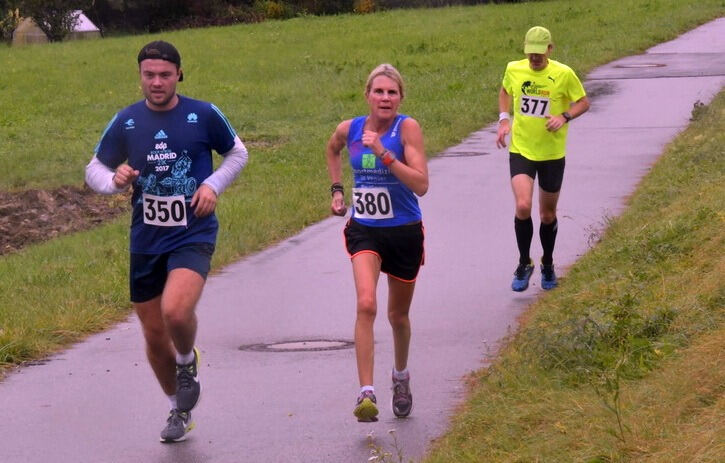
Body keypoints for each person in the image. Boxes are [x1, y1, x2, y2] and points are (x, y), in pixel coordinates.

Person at [85, 40, 248, 442]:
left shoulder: (203, 114)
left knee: (176, 312)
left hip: (193, 230)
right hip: (146, 237)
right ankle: (178, 408)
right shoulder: (126, 121)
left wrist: (212, 185)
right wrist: (114, 181)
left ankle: (187, 360)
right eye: (149, 75)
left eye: (164, 74)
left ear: (179, 74)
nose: (156, 82)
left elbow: (237, 154)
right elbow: (95, 168)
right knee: (153, 333)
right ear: (140, 77)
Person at [325, 64, 429, 422]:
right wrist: (338, 190)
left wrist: (385, 153)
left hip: (404, 231)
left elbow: (421, 184)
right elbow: (332, 149)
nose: (385, 98)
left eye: (392, 93)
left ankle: (400, 376)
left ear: (400, 97)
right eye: (379, 92)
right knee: (366, 304)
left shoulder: (407, 128)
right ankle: (366, 392)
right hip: (365, 229)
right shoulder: (350, 128)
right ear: (367, 95)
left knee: (397, 315)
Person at [495, 26, 590, 292]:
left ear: (550, 49)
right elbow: (505, 92)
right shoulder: (514, 68)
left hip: (551, 154)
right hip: (522, 149)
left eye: (539, 54)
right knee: (523, 206)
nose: (534, 59)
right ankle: (525, 262)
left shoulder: (563, 73)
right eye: (530, 54)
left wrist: (564, 117)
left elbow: (583, 102)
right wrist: (504, 121)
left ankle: (547, 263)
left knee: (547, 215)